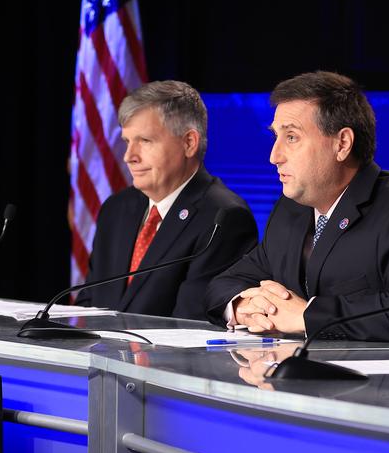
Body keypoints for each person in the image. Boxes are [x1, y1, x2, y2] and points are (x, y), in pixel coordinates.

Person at [205, 71, 389, 343]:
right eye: (275, 137)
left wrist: (306, 316)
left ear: (342, 144)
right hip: (308, 377)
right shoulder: (290, 211)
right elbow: (222, 284)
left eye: (292, 137)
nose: (274, 156)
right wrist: (243, 307)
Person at [78, 81, 258, 319]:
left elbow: (191, 323)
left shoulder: (224, 217)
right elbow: (87, 301)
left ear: (188, 143)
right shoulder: (116, 208)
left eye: (145, 141)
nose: (129, 156)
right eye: (127, 141)